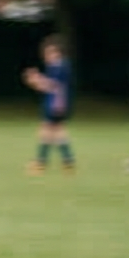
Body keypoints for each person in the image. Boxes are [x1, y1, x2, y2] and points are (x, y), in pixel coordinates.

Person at [24, 35, 76, 175]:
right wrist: (36, 82)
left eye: (48, 53)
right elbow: (49, 86)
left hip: (55, 104)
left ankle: (41, 163)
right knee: (59, 131)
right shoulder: (61, 65)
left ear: (55, 52)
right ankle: (68, 162)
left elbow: (53, 86)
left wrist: (37, 79)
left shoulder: (59, 66)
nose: (45, 57)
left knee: (46, 131)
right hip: (59, 103)